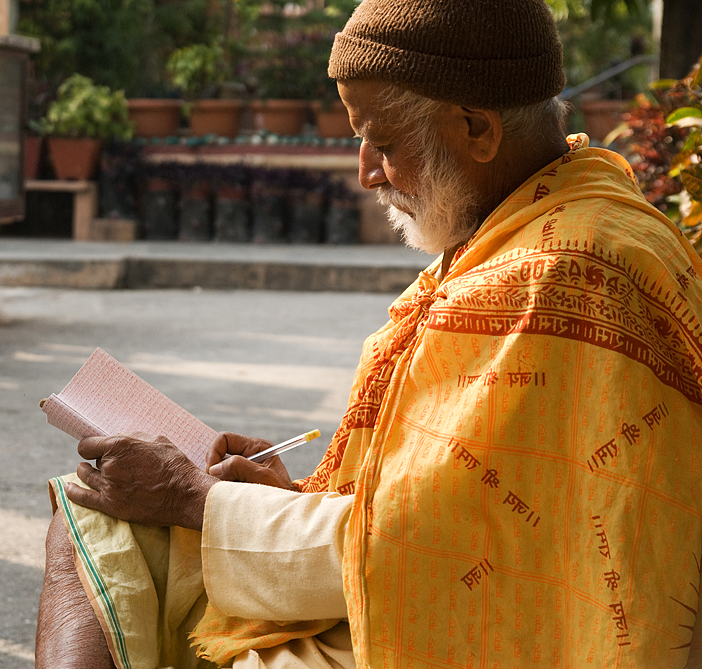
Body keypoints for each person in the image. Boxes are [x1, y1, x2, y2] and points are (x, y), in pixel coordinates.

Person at [36, 0, 702, 667]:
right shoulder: (537, 230)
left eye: (383, 143)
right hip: (407, 585)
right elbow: (447, 504)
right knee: (91, 515)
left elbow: (438, 551)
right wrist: (292, 498)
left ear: (476, 129)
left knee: (104, 522)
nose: (366, 171)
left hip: (459, 633)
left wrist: (192, 496)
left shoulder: (558, 272)